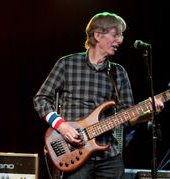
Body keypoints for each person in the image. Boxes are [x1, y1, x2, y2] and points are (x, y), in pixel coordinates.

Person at [33, 12, 164, 178]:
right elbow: (41, 99)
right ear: (97, 35)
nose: (120, 41)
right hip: (74, 152)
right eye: (115, 35)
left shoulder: (119, 72)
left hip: (109, 155)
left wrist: (148, 113)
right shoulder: (67, 64)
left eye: (121, 35)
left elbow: (129, 117)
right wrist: (61, 126)